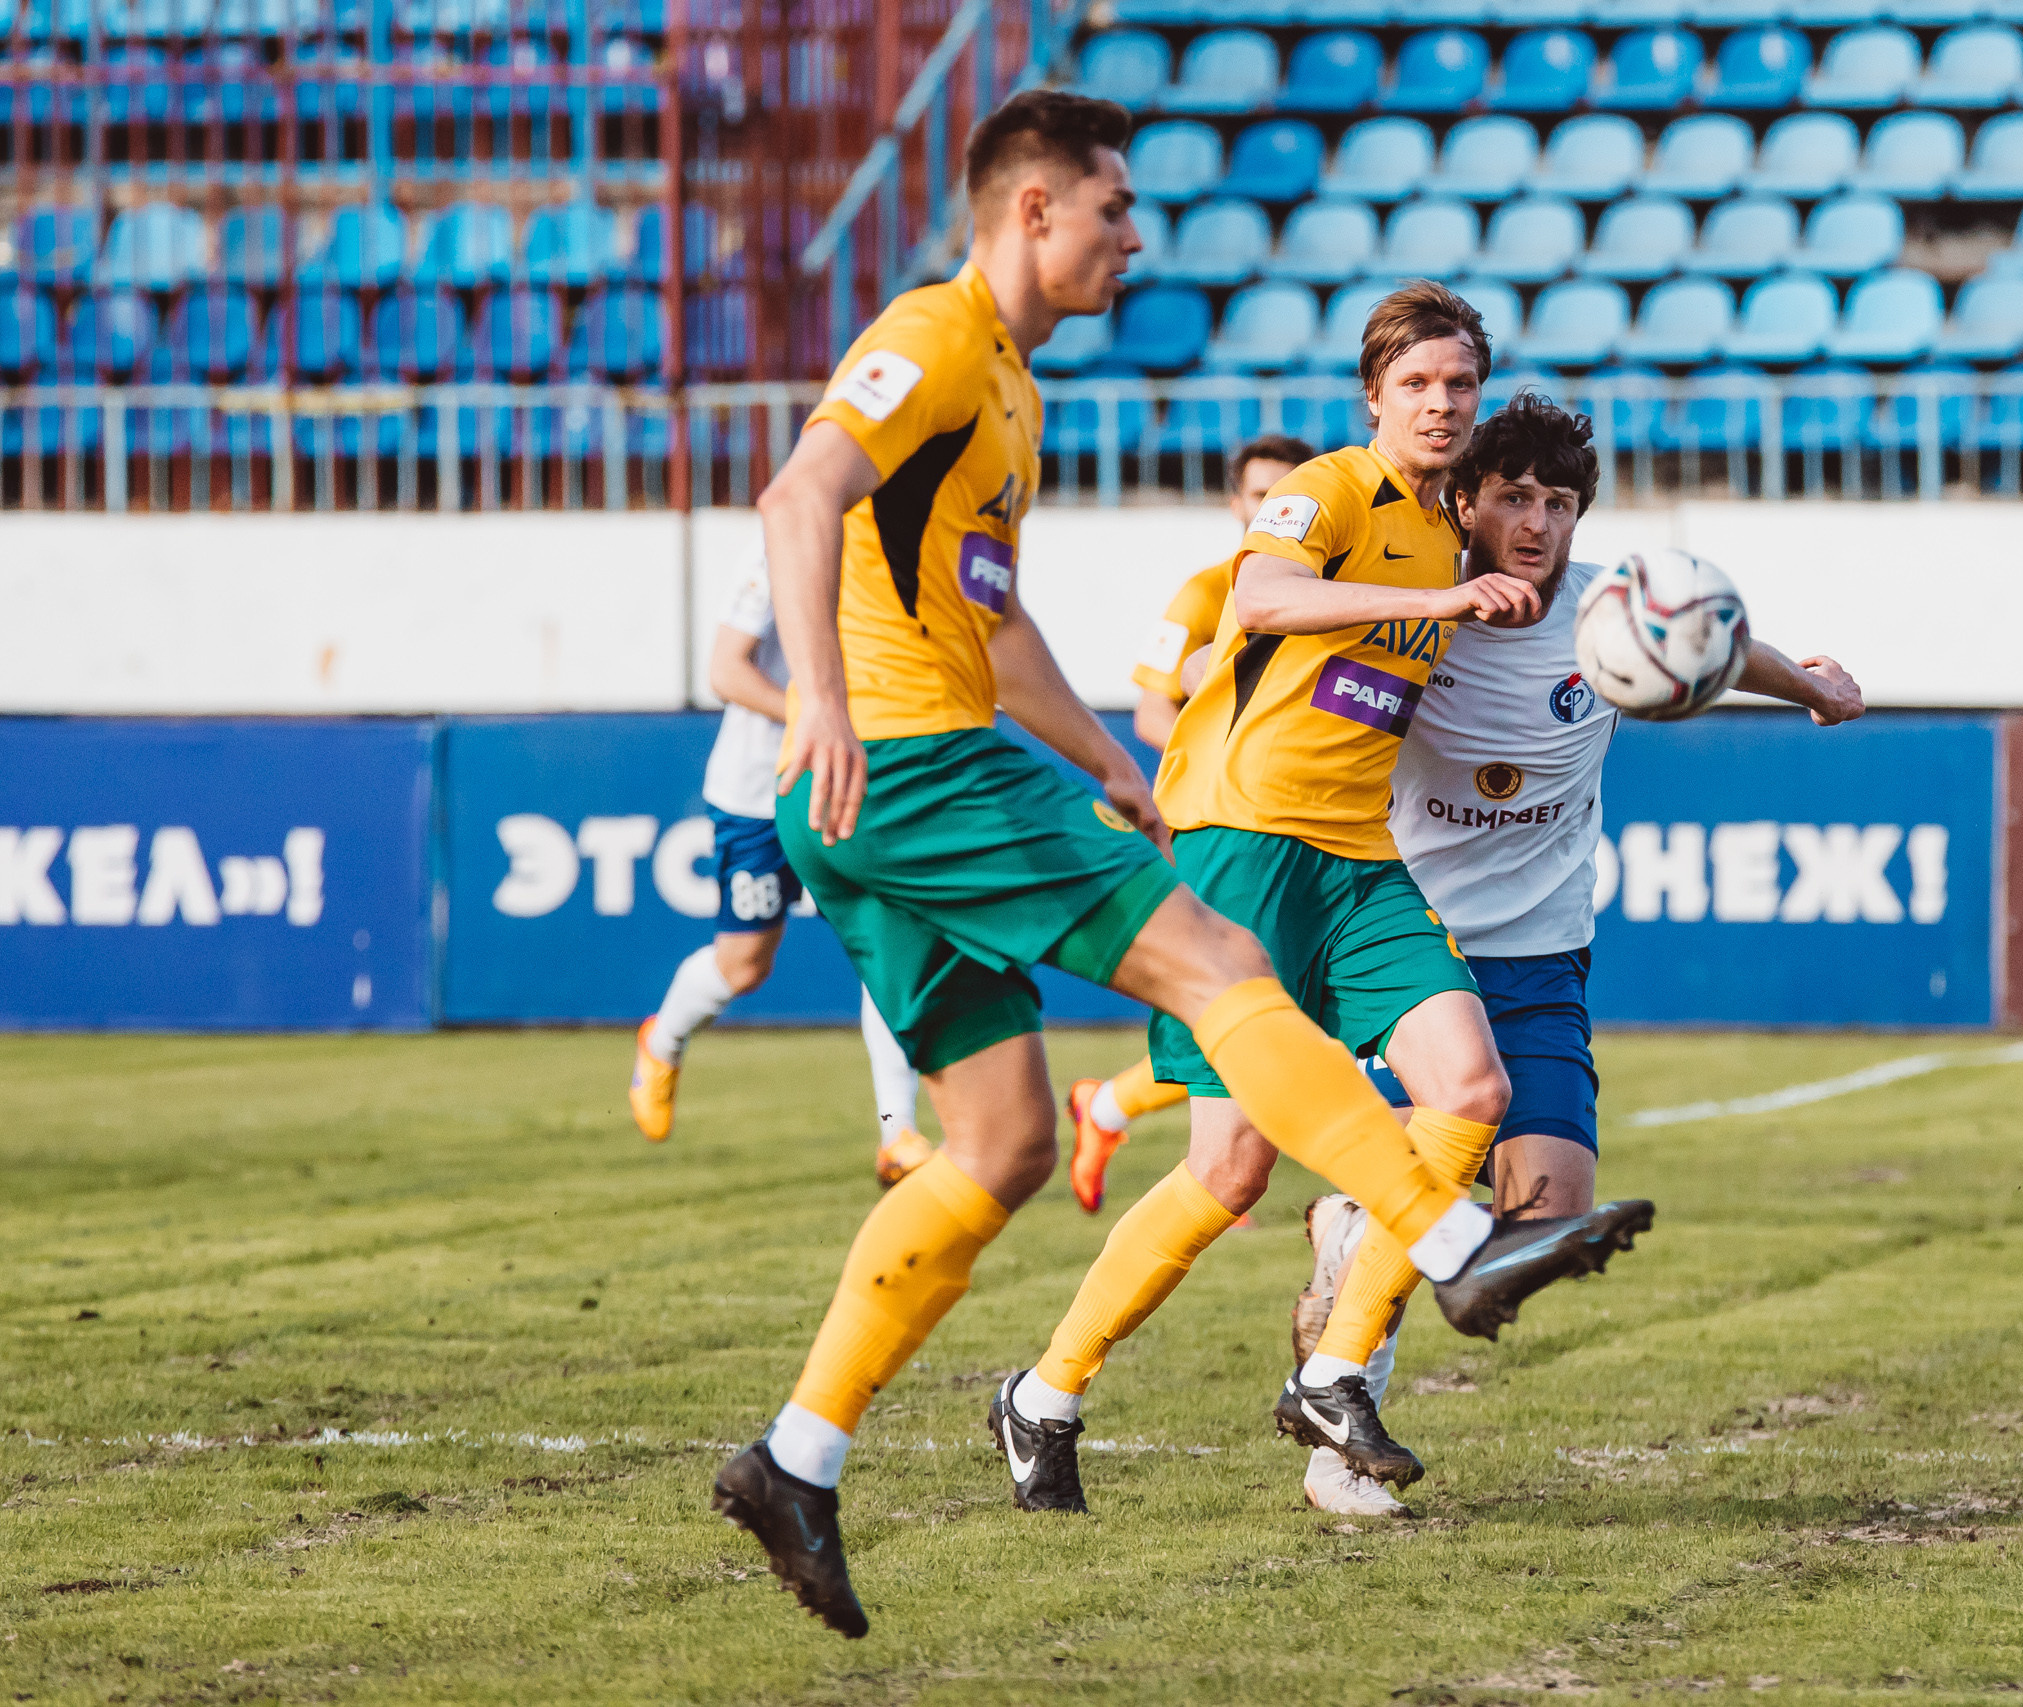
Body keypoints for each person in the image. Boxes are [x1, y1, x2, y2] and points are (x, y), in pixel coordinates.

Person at [713, 93, 1639, 1641]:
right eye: (1114, 209)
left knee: (1000, 1146)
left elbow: (993, 619)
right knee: (1221, 994)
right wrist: (816, 693)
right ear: (1032, 211)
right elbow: (798, 493)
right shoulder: (939, 337)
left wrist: (1099, 756)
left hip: (1060, 781)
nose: (1137, 237)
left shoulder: (1013, 392)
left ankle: (797, 1457)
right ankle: (1453, 1242)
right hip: (920, 762)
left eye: (1460, 385)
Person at [989, 282, 1655, 1523]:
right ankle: (1042, 1394)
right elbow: (1260, 599)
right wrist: (1440, 602)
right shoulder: (1341, 489)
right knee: (1227, 1171)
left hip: (1360, 860)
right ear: (1374, 398)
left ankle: (1339, 1371)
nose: (1442, 404)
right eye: (1418, 385)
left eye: (1459, 385)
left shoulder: (1456, 529)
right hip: (1244, 846)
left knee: (1470, 1090)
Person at [1287, 392, 1867, 1515]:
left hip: (1544, 959)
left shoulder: (1609, 605)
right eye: (1513, 496)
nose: (1537, 520)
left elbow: (1716, 644)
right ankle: (1336, 1436)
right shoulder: (1419, 608)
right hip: (1417, 953)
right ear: (1467, 501)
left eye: (1557, 501)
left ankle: (1354, 1225)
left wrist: (1815, 691)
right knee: (1430, 1208)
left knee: (1549, 1217)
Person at [1063, 432, 1315, 1214]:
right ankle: (1207, 1156)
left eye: (1286, 495)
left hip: (1303, 821)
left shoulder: (1330, 589)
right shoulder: (1208, 593)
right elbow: (1150, 710)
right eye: (1258, 493)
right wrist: (1229, 756)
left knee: (1268, 1008)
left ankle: (1109, 1108)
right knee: (1242, 1005)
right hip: (1221, 821)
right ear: (1234, 503)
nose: (1269, 506)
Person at [626, 552, 933, 1189]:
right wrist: (813, 717)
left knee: (884, 946)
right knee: (745, 965)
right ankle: (663, 1041)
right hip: (757, 794)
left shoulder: (902, 557)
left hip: (843, 787)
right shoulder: (779, 562)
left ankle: (897, 1132)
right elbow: (725, 671)